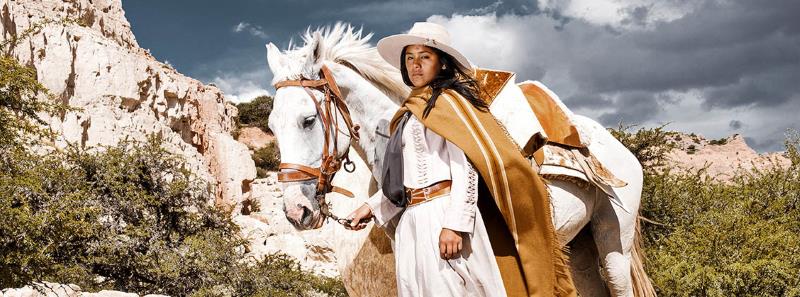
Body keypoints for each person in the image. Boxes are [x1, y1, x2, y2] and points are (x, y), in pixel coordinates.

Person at [347, 22, 577, 297]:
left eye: (425, 57)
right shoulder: (407, 114)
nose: (415, 65)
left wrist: (455, 225)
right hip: (412, 221)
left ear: (442, 64)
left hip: (443, 215)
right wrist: (370, 208)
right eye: (409, 58)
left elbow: (465, 169)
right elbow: (404, 179)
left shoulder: (450, 105)